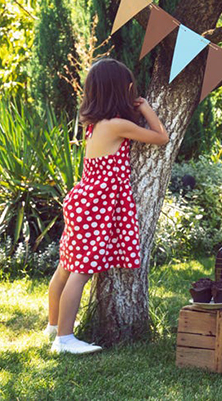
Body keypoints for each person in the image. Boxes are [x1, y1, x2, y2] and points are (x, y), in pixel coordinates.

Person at [45, 58, 169, 354]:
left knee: (66, 267)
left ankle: (52, 326)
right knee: (82, 271)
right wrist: (146, 109)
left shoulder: (94, 125)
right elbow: (161, 138)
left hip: (83, 202)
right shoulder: (119, 125)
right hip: (95, 206)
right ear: (120, 91)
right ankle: (64, 339)